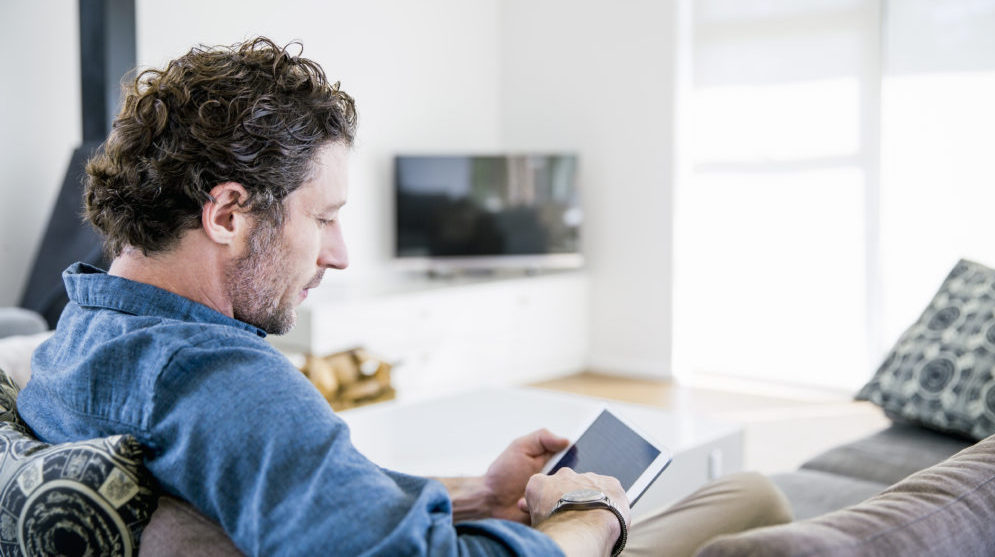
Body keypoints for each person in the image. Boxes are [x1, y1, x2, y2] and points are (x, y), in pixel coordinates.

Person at [17, 37, 790, 556]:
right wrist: (586, 515)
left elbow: (297, 497)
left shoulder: (74, 338)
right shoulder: (228, 387)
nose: (342, 254)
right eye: (323, 218)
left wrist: (480, 494)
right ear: (225, 213)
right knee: (752, 497)